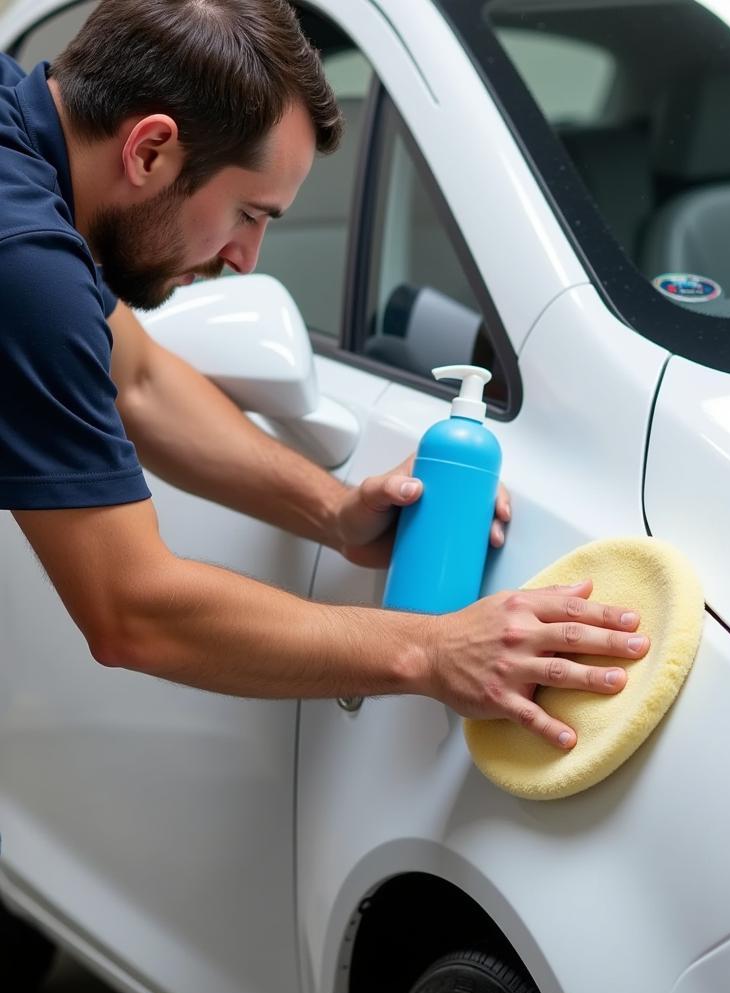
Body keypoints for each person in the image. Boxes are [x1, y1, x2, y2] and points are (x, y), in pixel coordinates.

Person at [0, 0, 648, 751]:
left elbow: (137, 378)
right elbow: (130, 610)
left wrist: (335, 513)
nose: (247, 258)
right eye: (248, 213)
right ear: (149, 151)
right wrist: (430, 651)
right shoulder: (26, 264)